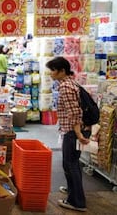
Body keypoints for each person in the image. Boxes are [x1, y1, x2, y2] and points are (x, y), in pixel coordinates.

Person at [45, 57, 90, 212]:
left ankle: (77, 201)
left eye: (53, 70)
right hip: (73, 130)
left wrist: (78, 133)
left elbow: (74, 113)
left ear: (62, 71)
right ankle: (74, 192)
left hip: (72, 131)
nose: (51, 74)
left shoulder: (65, 87)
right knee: (72, 164)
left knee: (70, 165)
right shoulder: (72, 83)